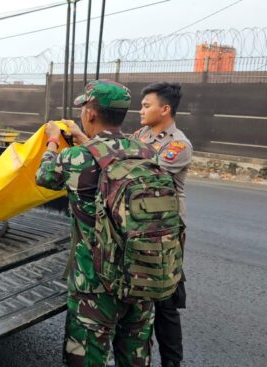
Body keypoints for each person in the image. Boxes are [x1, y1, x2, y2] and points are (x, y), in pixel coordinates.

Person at [36, 81, 155, 366]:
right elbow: (109, 156)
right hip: (141, 274)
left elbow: (45, 176)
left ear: (90, 113)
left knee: (87, 357)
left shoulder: (76, 157)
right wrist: (81, 137)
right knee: (135, 356)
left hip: (95, 283)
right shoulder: (146, 152)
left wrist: (53, 140)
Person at [133, 82, 191, 367]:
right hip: (138, 227)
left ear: (165, 109)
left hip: (165, 233)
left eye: (146, 105)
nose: (140, 110)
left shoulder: (178, 144)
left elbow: (142, 173)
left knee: (165, 303)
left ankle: (171, 362)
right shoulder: (141, 134)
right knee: (137, 297)